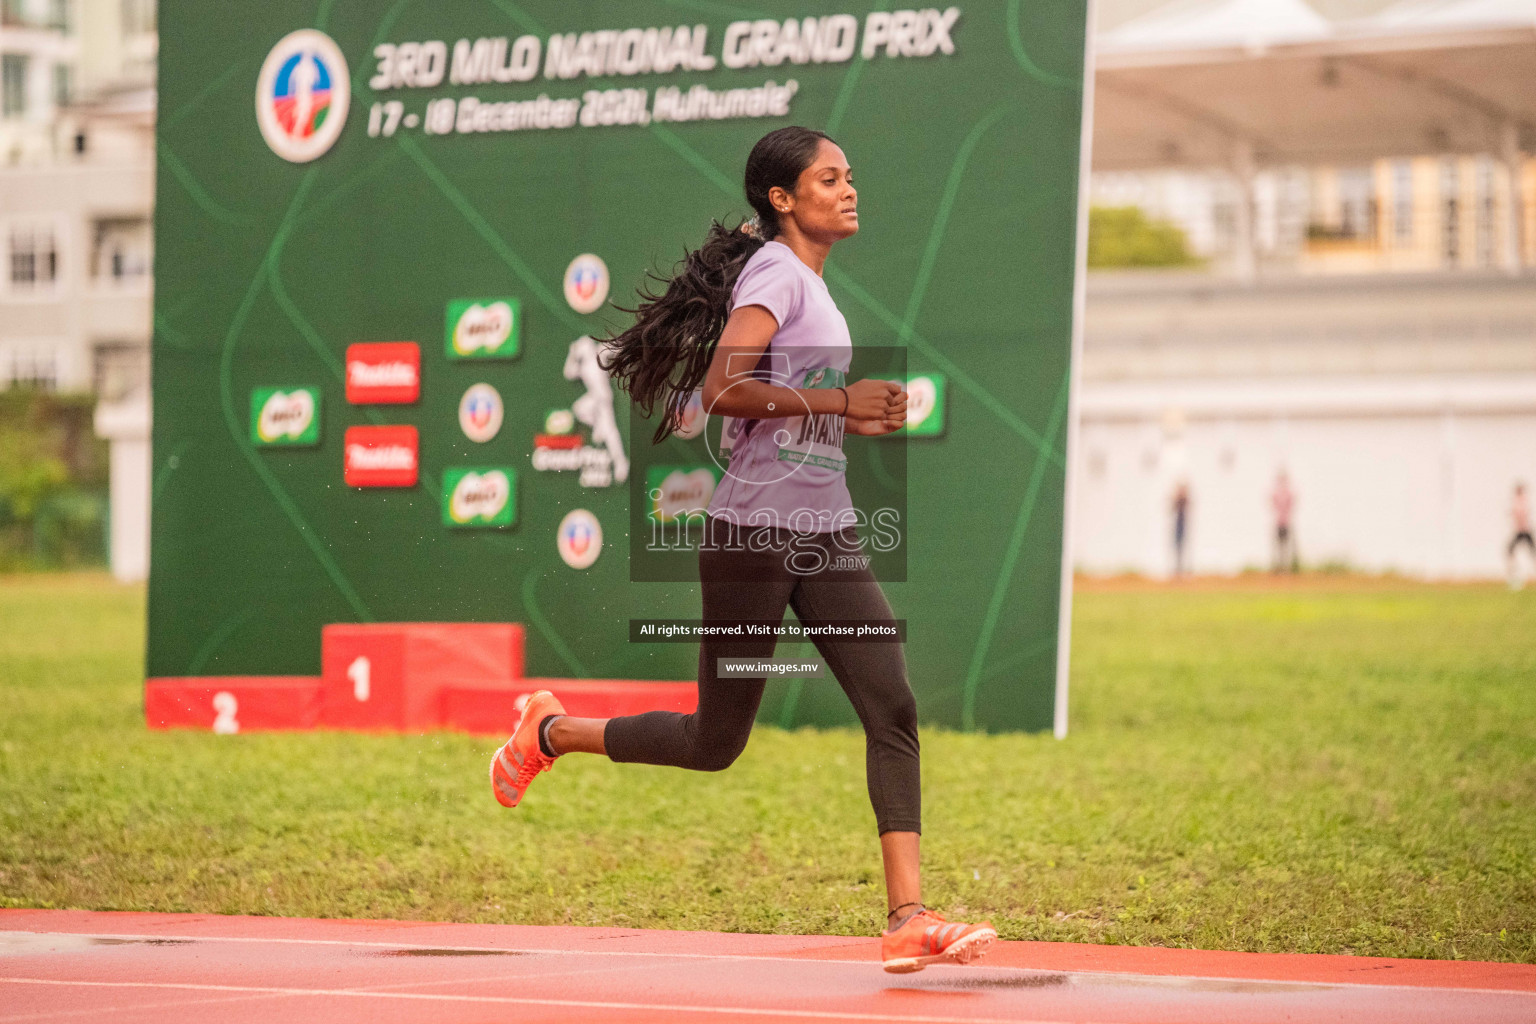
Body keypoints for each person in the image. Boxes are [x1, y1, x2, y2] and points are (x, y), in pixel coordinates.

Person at [487, 126, 997, 973]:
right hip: (753, 535)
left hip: (826, 533)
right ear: (782, 199)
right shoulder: (774, 273)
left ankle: (907, 917)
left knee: (893, 707)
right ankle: (550, 733)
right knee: (716, 743)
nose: (848, 189)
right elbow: (722, 389)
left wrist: (849, 411)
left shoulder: (809, 284)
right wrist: (840, 400)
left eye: (849, 175)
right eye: (828, 178)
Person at [1271, 469, 1297, 574]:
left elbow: (1291, 503)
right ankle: (1279, 567)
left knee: (1286, 546)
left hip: (1286, 523)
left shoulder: (1288, 493)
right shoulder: (1277, 493)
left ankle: (1286, 568)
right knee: (1278, 546)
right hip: (1279, 523)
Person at [1509, 482, 1534, 590]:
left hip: (1523, 531)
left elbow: (1522, 517)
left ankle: (1519, 578)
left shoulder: (1521, 502)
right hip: (1521, 532)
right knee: (1511, 552)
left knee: (1531, 553)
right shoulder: (1519, 501)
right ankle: (1516, 578)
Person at [1171, 481, 1190, 578]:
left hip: (1183, 526)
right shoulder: (1177, 500)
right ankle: (1177, 572)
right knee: (1177, 548)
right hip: (1178, 526)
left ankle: (1183, 572)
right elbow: (1171, 508)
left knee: (1183, 548)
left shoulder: (1185, 499)